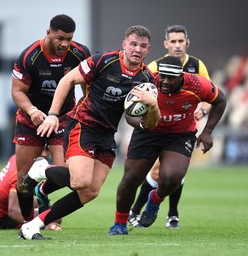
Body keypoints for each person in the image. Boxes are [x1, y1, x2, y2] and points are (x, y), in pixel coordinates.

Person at [18, 25, 159, 240]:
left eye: (142, 46)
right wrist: (54, 114)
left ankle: (33, 225)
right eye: (133, 44)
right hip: (83, 125)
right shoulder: (103, 61)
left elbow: (148, 124)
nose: (136, 49)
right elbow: (67, 80)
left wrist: (152, 105)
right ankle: (40, 169)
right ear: (124, 45)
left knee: (90, 192)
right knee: (79, 181)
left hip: (107, 134)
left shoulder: (147, 80)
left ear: (148, 49)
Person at [108, 56, 227, 235]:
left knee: (172, 176)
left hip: (180, 135)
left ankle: (155, 199)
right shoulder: (147, 81)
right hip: (147, 132)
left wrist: (208, 131)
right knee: (131, 179)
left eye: (171, 78)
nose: (164, 81)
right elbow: (129, 112)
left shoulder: (196, 85)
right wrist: (141, 124)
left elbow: (221, 100)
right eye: (163, 76)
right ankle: (119, 224)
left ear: (181, 76)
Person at [128, 24, 212, 229]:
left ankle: (167, 213)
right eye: (173, 41)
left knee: (174, 173)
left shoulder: (196, 65)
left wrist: (203, 110)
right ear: (166, 44)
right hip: (157, 127)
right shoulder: (155, 67)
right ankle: (148, 211)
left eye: (180, 41)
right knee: (160, 171)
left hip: (183, 127)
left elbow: (210, 94)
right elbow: (143, 93)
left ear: (187, 43)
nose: (177, 45)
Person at [10, 14, 90, 223]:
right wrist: (33, 111)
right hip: (31, 121)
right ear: (48, 33)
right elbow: (17, 92)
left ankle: (43, 196)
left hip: (63, 119)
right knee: (22, 178)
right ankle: (28, 222)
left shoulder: (80, 53)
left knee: (66, 173)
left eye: (69, 39)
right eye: (60, 38)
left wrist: (85, 110)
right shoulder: (29, 56)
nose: (65, 44)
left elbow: (87, 87)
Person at [0, 154, 62, 230]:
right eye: (43, 149)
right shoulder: (19, 175)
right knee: (51, 217)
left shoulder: (20, 156)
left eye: (47, 149)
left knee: (55, 215)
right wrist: (44, 223)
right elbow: (13, 211)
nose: (45, 154)